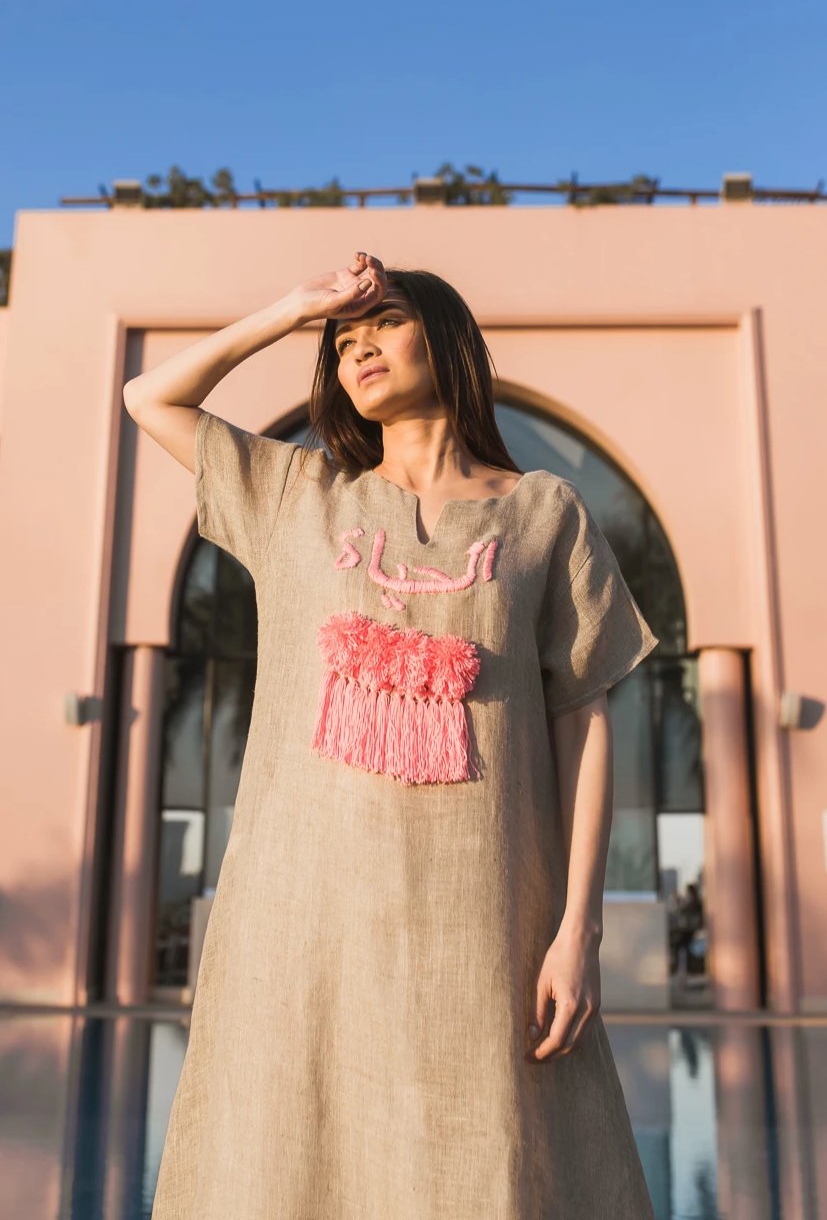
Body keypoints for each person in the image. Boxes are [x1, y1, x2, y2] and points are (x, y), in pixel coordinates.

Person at [125, 251, 659, 1219]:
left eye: (384, 322)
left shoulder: (543, 516)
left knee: (481, 1163)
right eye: (341, 344)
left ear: (445, 337)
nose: (358, 347)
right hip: (301, 926)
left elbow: (583, 720)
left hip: (480, 926)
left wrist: (576, 929)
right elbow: (149, 398)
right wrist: (294, 308)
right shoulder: (294, 495)